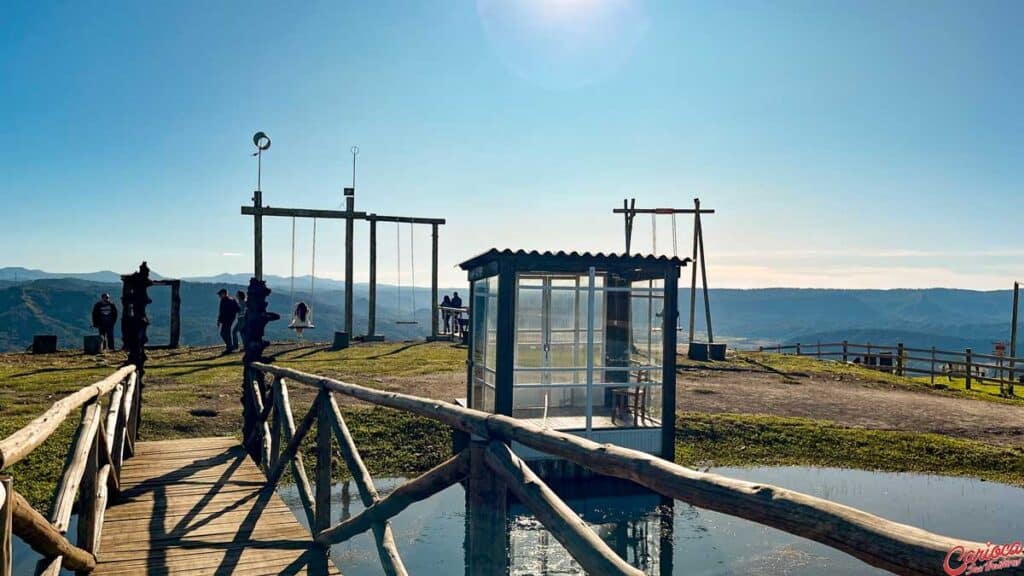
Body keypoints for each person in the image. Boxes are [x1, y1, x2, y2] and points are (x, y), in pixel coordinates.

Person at [217, 289, 241, 353]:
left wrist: (219, 320)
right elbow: (238, 309)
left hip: (227, 320)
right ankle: (229, 347)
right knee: (225, 333)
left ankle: (229, 347)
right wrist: (219, 320)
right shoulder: (231, 300)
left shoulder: (228, 301)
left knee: (224, 333)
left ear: (224, 294)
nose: (219, 296)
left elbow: (221, 312)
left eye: (220, 294)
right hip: (228, 319)